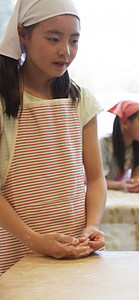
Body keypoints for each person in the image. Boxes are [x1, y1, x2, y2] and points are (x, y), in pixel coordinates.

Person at [0, 0, 106, 275]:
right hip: (13, 247)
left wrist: (92, 225)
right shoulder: (5, 101)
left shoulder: (81, 100)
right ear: (23, 35)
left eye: (74, 40)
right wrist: (33, 239)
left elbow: (95, 178)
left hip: (72, 245)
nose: (66, 51)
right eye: (53, 39)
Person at [100, 100, 139, 193]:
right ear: (125, 123)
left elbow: (135, 176)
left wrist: (138, 183)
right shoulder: (103, 143)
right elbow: (98, 181)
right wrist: (122, 185)